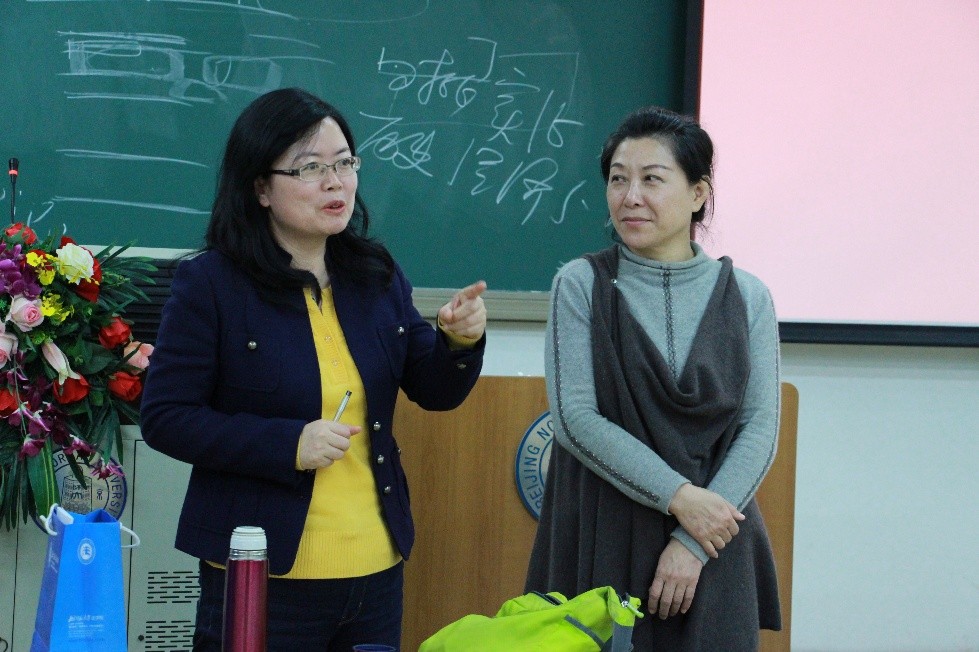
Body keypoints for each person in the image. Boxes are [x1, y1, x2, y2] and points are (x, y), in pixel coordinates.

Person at [140, 87, 487, 651]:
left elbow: (435, 389)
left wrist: (459, 340)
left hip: (375, 568)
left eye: (345, 163)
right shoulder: (212, 285)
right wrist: (289, 444)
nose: (336, 182)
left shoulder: (373, 274)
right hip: (261, 571)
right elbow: (167, 418)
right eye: (310, 168)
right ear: (260, 188)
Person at [524, 106, 781, 650]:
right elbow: (575, 419)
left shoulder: (749, 296)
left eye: (652, 179)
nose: (630, 197)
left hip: (713, 539)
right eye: (618, 180)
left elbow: (759, 428)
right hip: (602, 529)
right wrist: (679, 498)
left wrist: (692, 539)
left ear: (698, 193)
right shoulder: (581, 284)